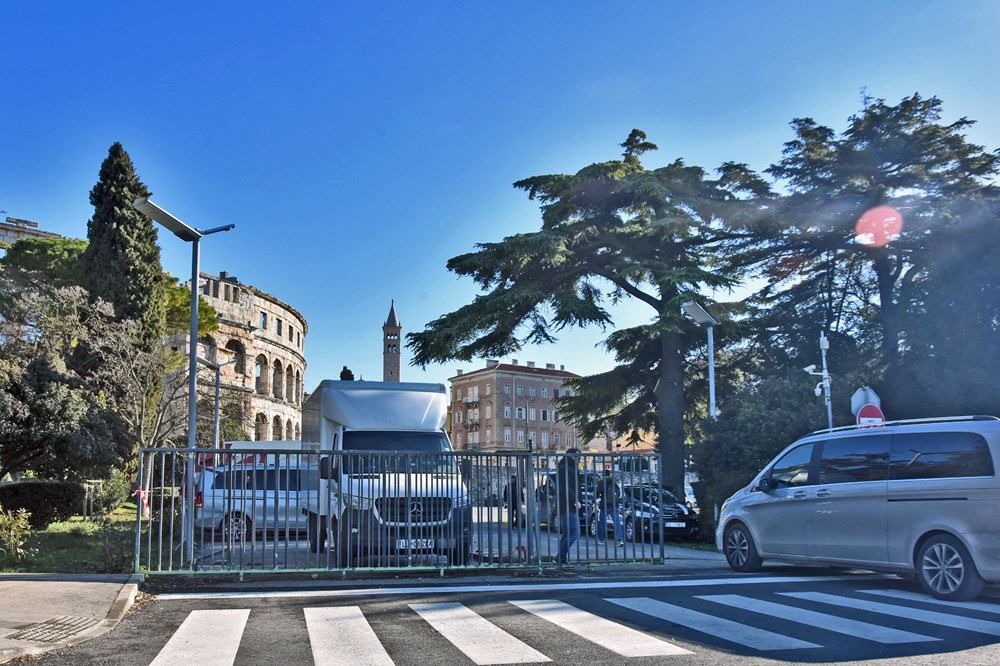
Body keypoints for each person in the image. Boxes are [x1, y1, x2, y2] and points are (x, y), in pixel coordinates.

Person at [556, 448, 582, 564]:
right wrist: (574, 500)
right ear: (571, 457)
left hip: (568, 506)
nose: (579, 460)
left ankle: (560, 558)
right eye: (577, 457)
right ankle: (560, 557)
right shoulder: (565, 468)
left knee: (568, 534)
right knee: (574, 533)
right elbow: (563, 487)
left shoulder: (569, 468)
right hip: (568, 506)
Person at [597, 470, 625, 547]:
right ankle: (620, 539)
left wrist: (596, 499)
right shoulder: (613, 483)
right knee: (617, 523)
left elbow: (598, 492)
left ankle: (601, 539)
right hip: (615, 505)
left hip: (605, 506)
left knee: (602, 522)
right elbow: (618, 493)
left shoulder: (602, 482)